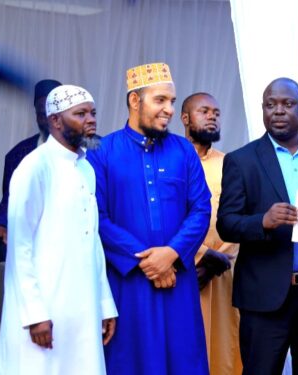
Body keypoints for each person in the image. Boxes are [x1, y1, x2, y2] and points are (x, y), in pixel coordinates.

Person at [87, 63, 211, 375]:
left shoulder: (183, 150)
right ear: (134, 101)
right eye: (160, 100)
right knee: (132, 361)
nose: (169, 109)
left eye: (172, 101)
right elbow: (95, 217)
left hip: (178, 280)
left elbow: (201, 209)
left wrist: (170, 254)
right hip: (129, 283)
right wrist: (145, 261)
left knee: (184, 360)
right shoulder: (102, 151)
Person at [217, 77, 298, 375]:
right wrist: (263, 221)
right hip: (264, 299)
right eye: (271, 104)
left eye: (287, 104)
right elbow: (227, 224)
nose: (278, 111)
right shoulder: (241, 160)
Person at [0, 85, 117, 374]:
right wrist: (34, 314)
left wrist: (105, 303)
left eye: (93, 113)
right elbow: (20, 246)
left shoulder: (86, 168)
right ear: (55, 121)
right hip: (44, 308)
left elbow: (93, 242)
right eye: (80, 114)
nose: (91, 120)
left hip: (82, 306)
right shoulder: (34, 167)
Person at [180, 92, 242, 375]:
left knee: (226, 350)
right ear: (185, 119)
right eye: (204, 111)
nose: (212, 116)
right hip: (183, 271)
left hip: (224, 271)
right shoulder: (171, 159)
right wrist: (199, 257)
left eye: (216, 112)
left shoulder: (231, 163)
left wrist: (218, 258)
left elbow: (237, 215)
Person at [0, 79, 61, 265]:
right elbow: (9, 201)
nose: (47, 119)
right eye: (42, 114)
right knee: (1, 252)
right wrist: (0, 225)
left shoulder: (93, 149)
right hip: (31, 234)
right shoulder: (17, 155)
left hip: (75, 233)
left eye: (52, 113)